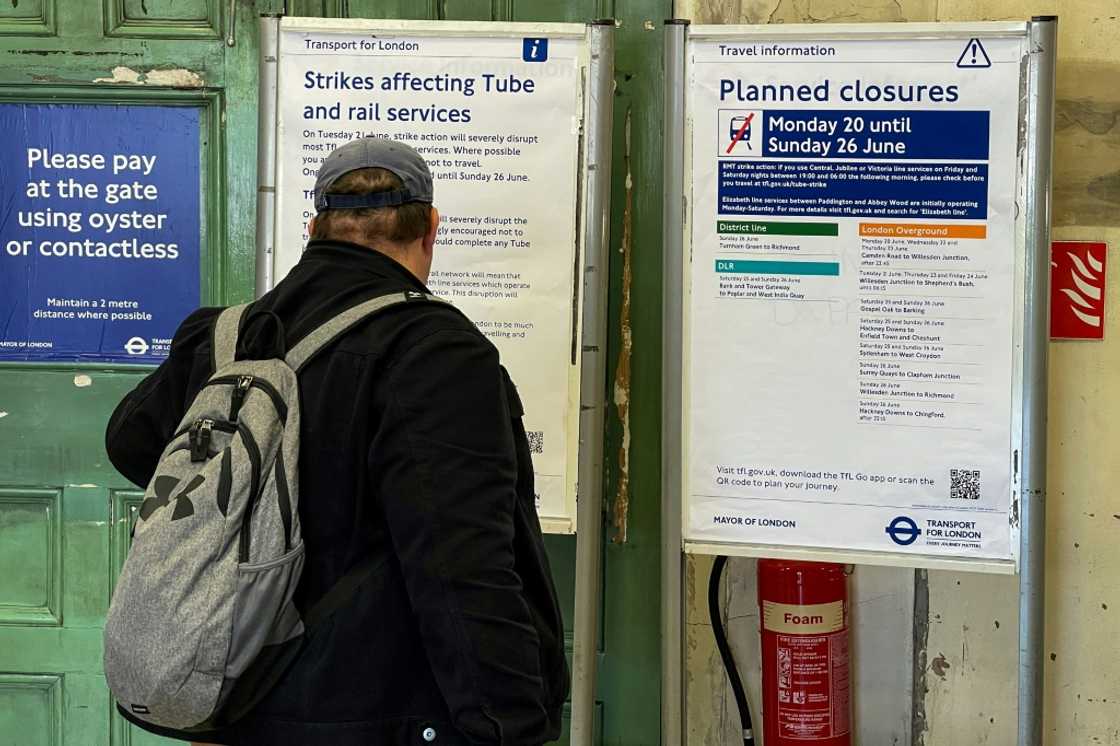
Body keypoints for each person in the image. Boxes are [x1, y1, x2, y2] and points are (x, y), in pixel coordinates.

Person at [105, 138, 569, 745]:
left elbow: (130, 442)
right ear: (430, 228)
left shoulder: (223, 337)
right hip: (372, 710)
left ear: (314, 228)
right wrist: (510, 727)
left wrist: (252, 510)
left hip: (233, 692)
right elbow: (462, 568)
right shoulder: (435, 353)